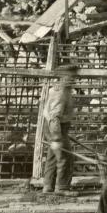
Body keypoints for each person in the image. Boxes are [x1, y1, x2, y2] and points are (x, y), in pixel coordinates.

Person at [42, 64, 78, 196]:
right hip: (55, 127)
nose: (74, 79)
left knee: (53, 156)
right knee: (65, 157)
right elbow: (54, 117)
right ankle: (62, 188)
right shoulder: (61, 92)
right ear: (63, 77)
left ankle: (48, 187)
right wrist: (57, 137)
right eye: (71, 76)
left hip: (58, 127)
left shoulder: (64, 90)